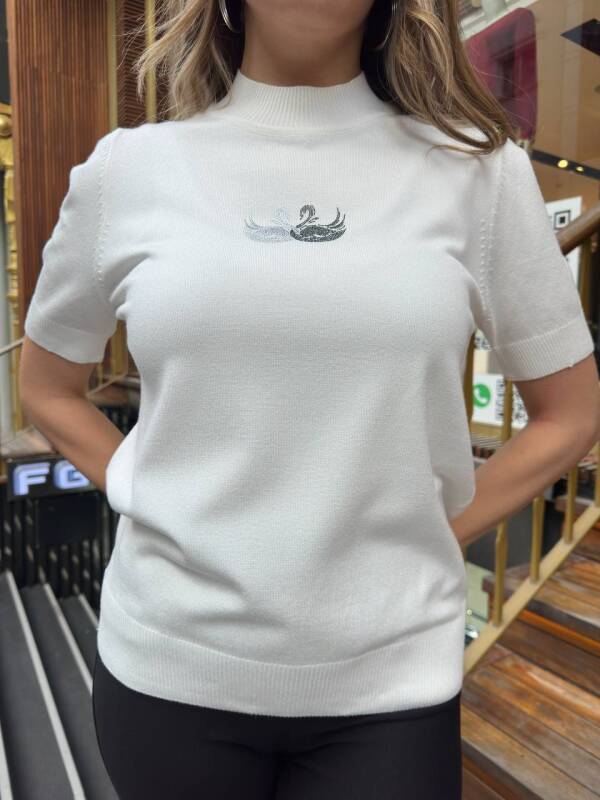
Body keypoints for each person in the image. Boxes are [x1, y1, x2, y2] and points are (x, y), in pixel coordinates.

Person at [19, 0, 600, 797]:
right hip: (169, 668)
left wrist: (439, 529)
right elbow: (47, 387)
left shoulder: (478, 172)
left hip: (390, 684)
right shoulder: (128, 170)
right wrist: (136, 483)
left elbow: (570, 413)